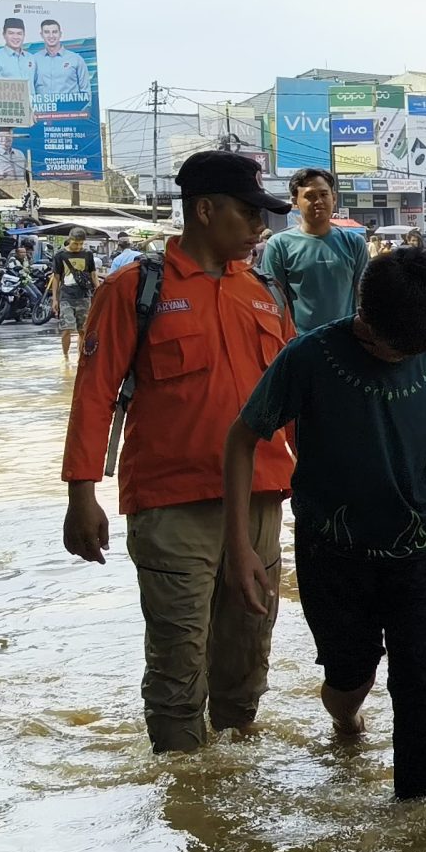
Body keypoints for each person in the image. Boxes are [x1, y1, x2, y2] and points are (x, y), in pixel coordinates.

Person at [225, 247, 426, 799]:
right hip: (331, 554)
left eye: (412, 350)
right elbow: (241, 439)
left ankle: (416, 820)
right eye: (390, 348)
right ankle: (345, 721)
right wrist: (240, 546)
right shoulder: (309, 356)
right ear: (363, 317)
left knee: (422, 684)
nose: (400, 359)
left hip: (415, 550)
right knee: (350, 678)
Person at [62, 151, 297, 754]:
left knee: (248, 659)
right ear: (204, 209)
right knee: (177, 667)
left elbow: (295, 405)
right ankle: (186, 800)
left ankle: (235, 790)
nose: (258, 226)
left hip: (262, 506)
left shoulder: (267, 293)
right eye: (248, 213)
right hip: (171, 509)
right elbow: (93, 395)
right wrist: (81, 496)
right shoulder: (134, 289)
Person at [259, 169, 369, 331]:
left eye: (324, 194)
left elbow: (364, 296)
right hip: (300, 344)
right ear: (295, 201)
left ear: (334, 198)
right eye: (310, 196)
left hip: (347, 341)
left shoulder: (354, 243)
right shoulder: (279, 245)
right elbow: (274, 301)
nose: (318, 201)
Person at [50, 234, 100, 363]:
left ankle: (80, 357)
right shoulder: (60, 255)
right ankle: (65, 358)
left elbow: (93, 275)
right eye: (76, 244)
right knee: (67, 328)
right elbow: (56, 278)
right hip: (66, 296)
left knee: (83, 330)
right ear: (70, 240)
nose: (78, 247)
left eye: (81, 244)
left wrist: (99, 292)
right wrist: (54, 299)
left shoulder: (88, 254)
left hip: (84, 296)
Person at [30, 18, 92, 104]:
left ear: (60, 34)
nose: (51, 36)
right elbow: (29, 90)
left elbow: (86, 91)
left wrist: (82, 114)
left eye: (54, 32)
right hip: (43, 114)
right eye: (47, 32)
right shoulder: (33, 60)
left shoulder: (76, 59)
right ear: (41, 35)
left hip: (70, 113)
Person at [0, 16, 35, 82]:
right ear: (4, 35)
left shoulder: (31, 58)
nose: (15, 37)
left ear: (24, 35)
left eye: (19, 33)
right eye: (11, 33)